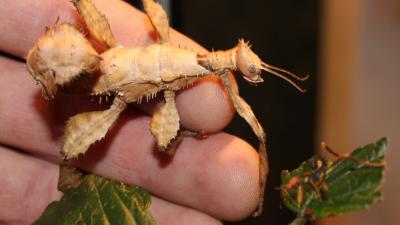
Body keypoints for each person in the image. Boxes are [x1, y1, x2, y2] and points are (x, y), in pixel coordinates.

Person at [0, 0, 261, 224]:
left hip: (97, 58)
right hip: (83, 67)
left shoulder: (207, 69)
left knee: (159, 138)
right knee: (153, 143)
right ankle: (68, 180)